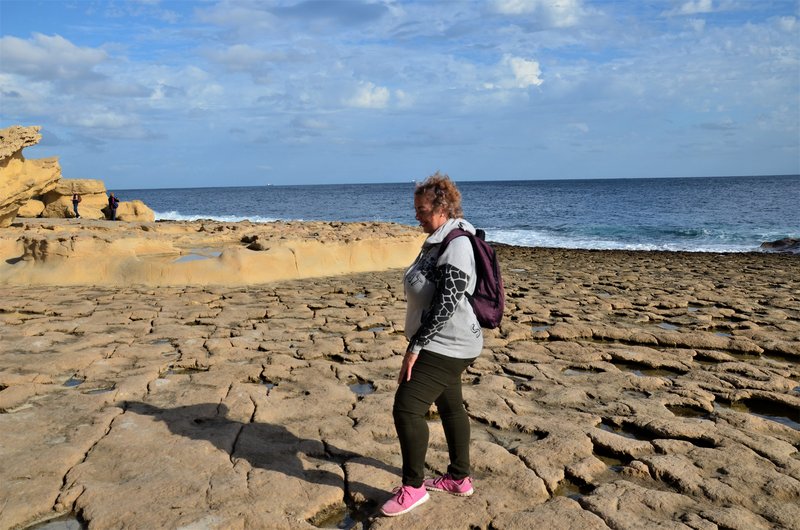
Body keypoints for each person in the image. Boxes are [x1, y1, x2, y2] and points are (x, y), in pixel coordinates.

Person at [381, 172, 483, 517]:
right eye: (415, 209)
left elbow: (447, 302)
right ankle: (459, 479)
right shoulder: (439, 238)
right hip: (446, 342)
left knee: (406, 407)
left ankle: (413, 488)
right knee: (451, 406)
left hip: (447, 343)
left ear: (441, 208)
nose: (416, 215)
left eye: (421, 209)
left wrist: (415, 348)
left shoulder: (457, 244)